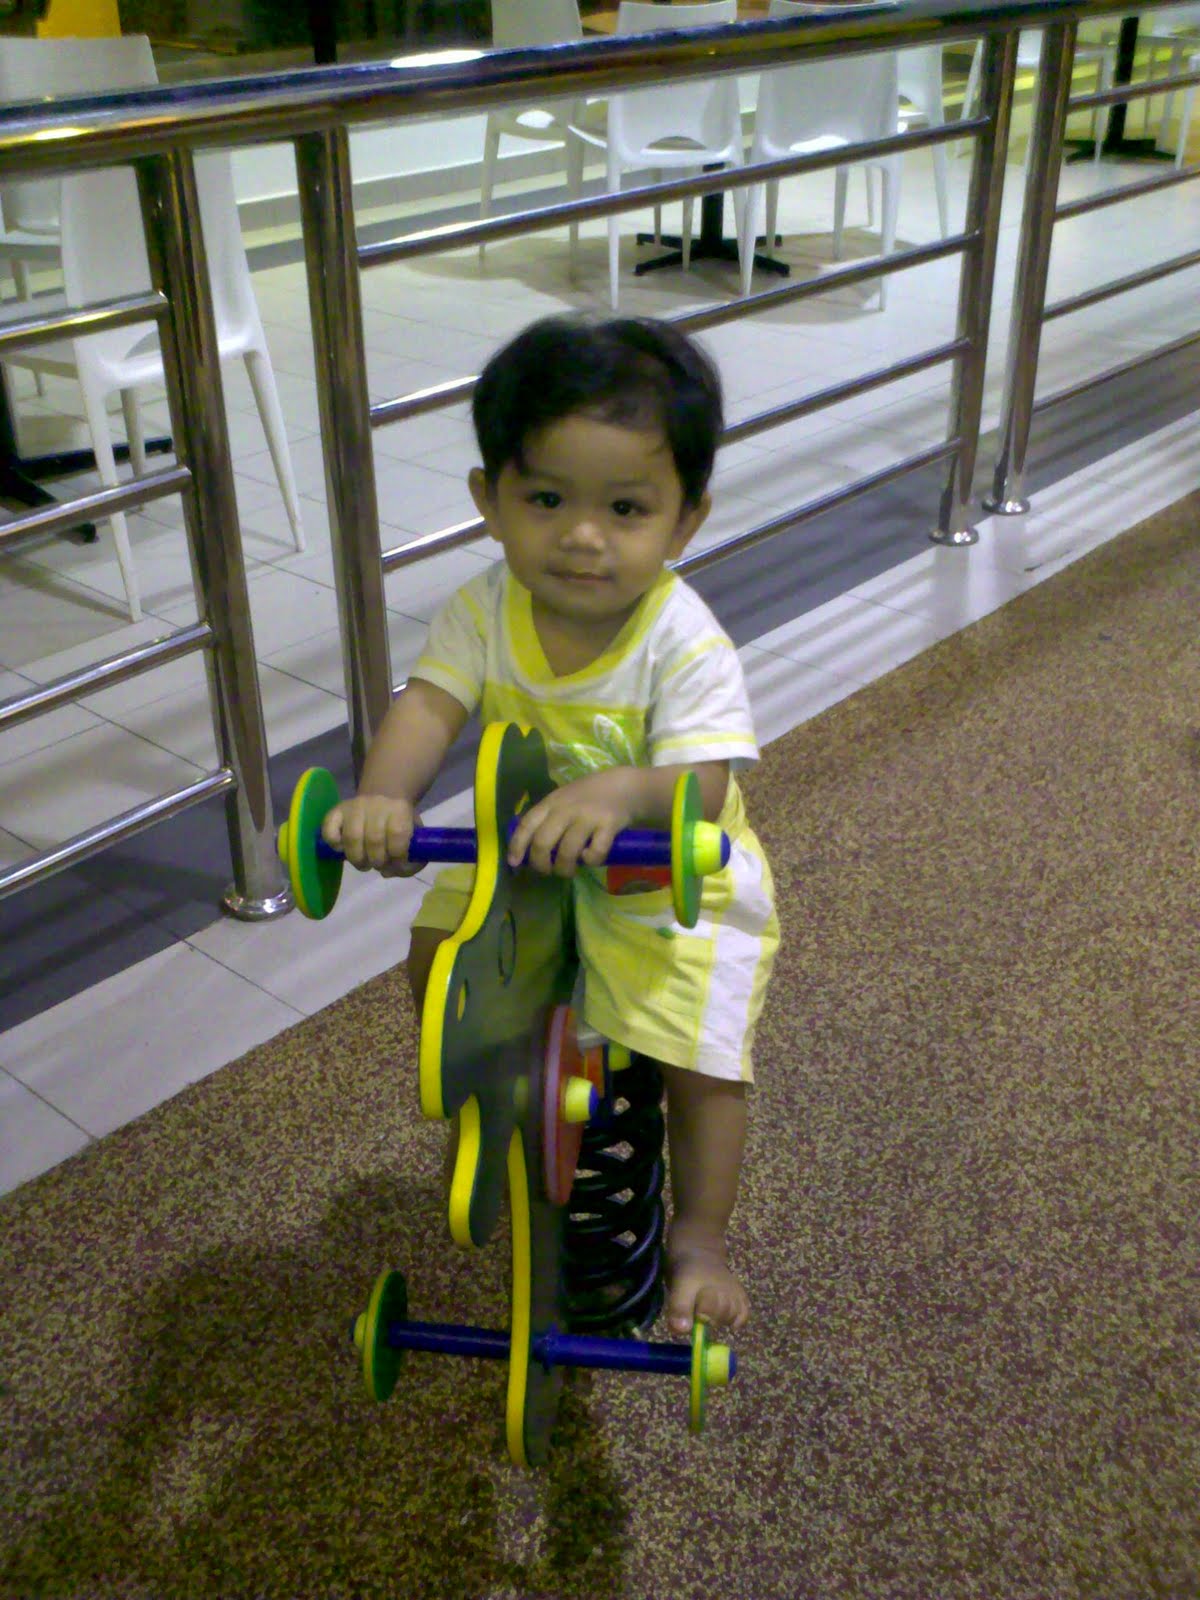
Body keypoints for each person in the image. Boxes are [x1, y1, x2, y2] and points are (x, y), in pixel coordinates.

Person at [323, 313, 778, 1338]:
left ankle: (700, 1236)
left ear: (685, 522)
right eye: (545, 499)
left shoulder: (681, 637)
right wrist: (385, 795)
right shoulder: (482, 609)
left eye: (625, 508)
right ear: (489, 500)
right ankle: (487, 1101)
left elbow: (705, 787)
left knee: (701, 1059)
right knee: (439, 949)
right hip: (530, 855)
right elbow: (428, 706)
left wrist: (620, 792)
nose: (582, 535)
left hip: (668, 878)